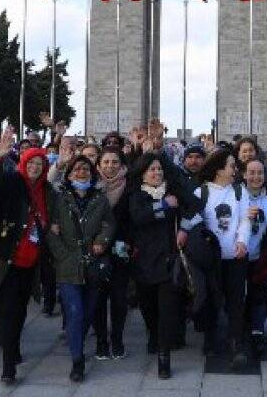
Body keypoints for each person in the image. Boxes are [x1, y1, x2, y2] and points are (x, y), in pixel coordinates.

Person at [0, 138, 52, 384]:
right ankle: (8, 365)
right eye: (30, 162)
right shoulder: (13, 181)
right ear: (23, 163)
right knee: (8, 309)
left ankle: (14, 348)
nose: (34, 167)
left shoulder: (46, 190)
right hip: (7, 258)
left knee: (21, 310)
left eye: (39, 163)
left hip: (31, 262)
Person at [48, 153, 115, 382]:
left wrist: (102, 241)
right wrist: (63, 256)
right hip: (68, 264)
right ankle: (78, 360)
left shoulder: (100, 198)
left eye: (86, 169)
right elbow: (52, 231)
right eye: (77, 169)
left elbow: (109, 224)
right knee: (74, 311)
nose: (81, 172)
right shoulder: (60, 198)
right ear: (69, 174)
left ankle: (76, 338)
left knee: (88, 311)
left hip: (93, 263)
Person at [185, 148, 252, 368]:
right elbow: (194, 222)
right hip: (211, 260)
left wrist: (242, 241)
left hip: (235, 257)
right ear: (219, 169)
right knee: (212, 300)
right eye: (232, 165)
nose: (235, 170)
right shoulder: (201, 193)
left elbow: (244, 219)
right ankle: (209, 337)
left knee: (235, 302)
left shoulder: (240, 192)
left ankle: (236, 344)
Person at [130, 153, 190, 379]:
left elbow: (191, 209)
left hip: (168, 259)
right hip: (144, 260)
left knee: (167, 310)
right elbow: (139, 217)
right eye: (151, 170)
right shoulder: (136, 194)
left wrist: (184, 229)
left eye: (159, 169)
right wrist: (163, 205)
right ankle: (153, 335)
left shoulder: (174, 191)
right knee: (148, 307)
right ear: (143, 173)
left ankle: (164, 357)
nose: (156, 173)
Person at [91, 148, 130, 360]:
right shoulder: (90, 187)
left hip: (122, 251)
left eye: (115, 162)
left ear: (122, 165)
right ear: (98, 165)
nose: (110, 166)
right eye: (105, 162)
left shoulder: (129, 186)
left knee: (119, 299)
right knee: (97, 298)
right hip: (97, 250)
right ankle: (100, 341)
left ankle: (117, 339)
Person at [241, 157, 267, 353]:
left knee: (259, 295)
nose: (256, 177)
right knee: (238, 295)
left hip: (260, 256)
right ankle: (238, 331)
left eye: (260, 173)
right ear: (244, 174)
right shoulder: (237, 195)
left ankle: (257, 333)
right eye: (251, 173)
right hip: (239, 254)